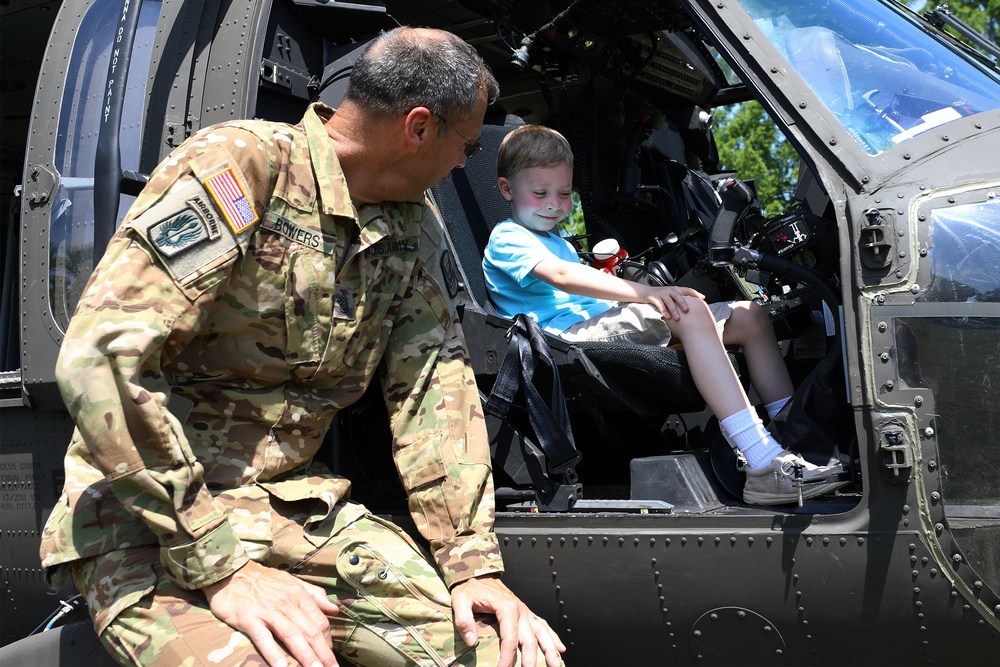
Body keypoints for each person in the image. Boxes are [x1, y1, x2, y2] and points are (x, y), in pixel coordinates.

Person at [39, 28, 565, 667]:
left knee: (512, 656)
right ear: (419, 128)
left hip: (290, 514)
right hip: (147, 525)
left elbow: (435, 387)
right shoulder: (243, 167)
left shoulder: (408, 224)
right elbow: (103, 359)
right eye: (468, 145)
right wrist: (220, 566)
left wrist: (469, 563)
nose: (464, 164)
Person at [482, 125, 847, 506]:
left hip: (597, 324)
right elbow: (562, 277)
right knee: (685, 310)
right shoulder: (508, 237)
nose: (555, 204)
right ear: (508, 190)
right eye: (540, 193)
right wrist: (649, 295)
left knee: (750, 317)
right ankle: (760, 462)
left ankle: (792, 445)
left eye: (563, 193)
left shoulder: (556, 241)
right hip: (563, 340)